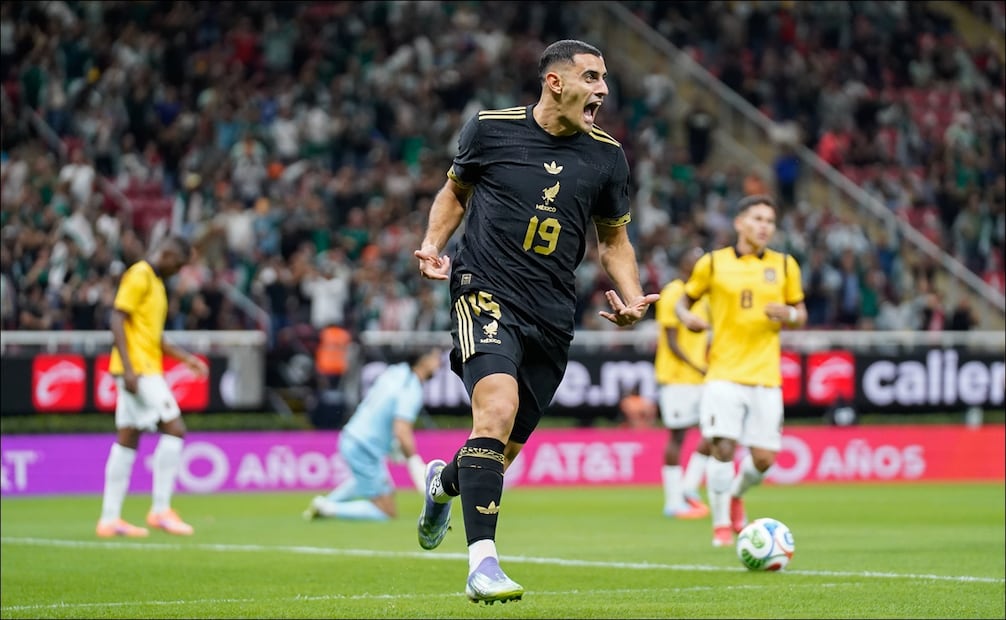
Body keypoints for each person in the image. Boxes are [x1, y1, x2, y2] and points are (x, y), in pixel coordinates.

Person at [412, 39, 659, 605]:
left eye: (604, 79)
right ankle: (483, 566)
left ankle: (443, 484)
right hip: (484, 291)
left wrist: (631, 297)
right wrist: (431, 245)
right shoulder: (490, 129)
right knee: (494, 410)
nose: (602, 89)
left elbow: (613, 239)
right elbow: (455, 192)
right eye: (592, 78)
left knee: (498, 451)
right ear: (555, 83)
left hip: (552, 314)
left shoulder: (607, 156)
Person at [675, 194, 806, 548]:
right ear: (739, 223)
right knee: (723, 446)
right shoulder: (714, 264)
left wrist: (790, 315)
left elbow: (801, 312)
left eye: (770, 221)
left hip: (765, 374)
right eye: (758, 219)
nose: (765, 226)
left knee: (764, 459)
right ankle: (720, 525)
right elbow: (683, 301)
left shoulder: (784, 265)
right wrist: (689, 318)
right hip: (723, 372)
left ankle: (735, 493)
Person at [96, 235, 208, 538]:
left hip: (142, 367)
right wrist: (129, 369)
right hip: (140, 370)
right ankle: (160, 510)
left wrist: (187, 360)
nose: (178, 271)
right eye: (179, 265)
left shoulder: (157, 285)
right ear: (169, 254)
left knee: (128, 438)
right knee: (175, 429)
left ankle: (109, 519)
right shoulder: (140, 274)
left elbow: (152, 336)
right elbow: (117, 318)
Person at [303, 348, 443, 522]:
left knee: (366, 481)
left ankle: (327, 502)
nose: (439, 364)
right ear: (423, 360)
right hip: (365, 447)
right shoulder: (412, 387)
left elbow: (383, 407)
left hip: (354, 436)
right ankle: (329, 508)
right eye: (436, 358)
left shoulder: (396, 371)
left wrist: (391, 445)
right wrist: (414, 463)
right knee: (386, 511)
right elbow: (402, 429)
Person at [654, 245, 712, 519]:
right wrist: (697, 366)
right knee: (677, 436)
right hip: (677, 377)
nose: (700, 265)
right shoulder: (673, 293)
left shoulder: (703, 296)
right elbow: (672, 341)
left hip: (701, 377)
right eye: (695, 260)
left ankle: (689, 486)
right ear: (684, 265)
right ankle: (673, 501)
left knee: (716, 430)